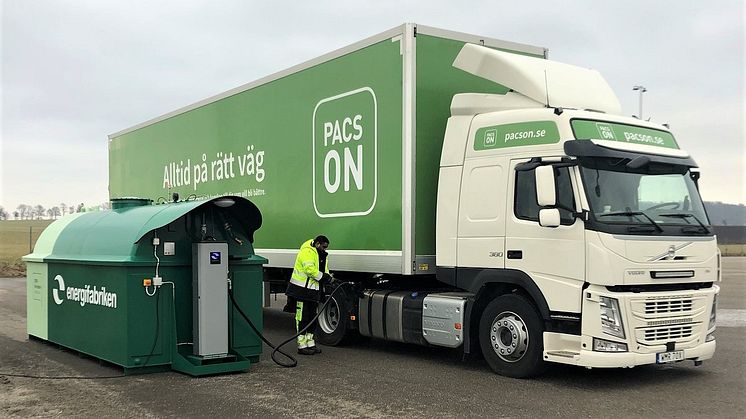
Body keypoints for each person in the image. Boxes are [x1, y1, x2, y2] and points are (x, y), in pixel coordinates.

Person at [285, 235, 332, 355]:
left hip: (313, 291)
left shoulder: (321, 254)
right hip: (301, 291)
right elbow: (309, 269)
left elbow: (323, 269)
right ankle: (301, 345)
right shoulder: (307, 251)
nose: (325, 249)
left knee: (312, 317)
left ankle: (310, 343)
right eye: (323, 246)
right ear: (317, 244)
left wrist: (327, 277)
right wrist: (323, 277)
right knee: (302, 317)